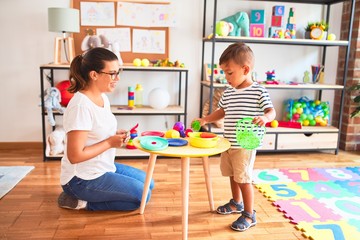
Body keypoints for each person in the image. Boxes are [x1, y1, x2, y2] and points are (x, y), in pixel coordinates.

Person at [58, 47, 154, 211]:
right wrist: (110, 142)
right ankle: (81, 202)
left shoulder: (102, 97)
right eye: (112, 73)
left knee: (149, 183)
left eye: (118, 72)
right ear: (94, 74)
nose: (117, 78)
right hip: (80, 179)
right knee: (142, 196)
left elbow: (95, 131)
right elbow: (74, 155)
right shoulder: (81, 106)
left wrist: (115, 135)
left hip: (102, 166)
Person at [193, 42, 276, 231]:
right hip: (228, 143)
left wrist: (265, 117)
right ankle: (236, 202)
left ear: (245, 69)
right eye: (224, 73)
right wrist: (205, 119)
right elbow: (221, 111)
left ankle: (249, 214)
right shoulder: (229, 92)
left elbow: (272, 111)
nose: (226, 77)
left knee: (243, 178)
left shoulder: (258, 91)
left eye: (229, 73)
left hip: (245, 144)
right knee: (232, 175)